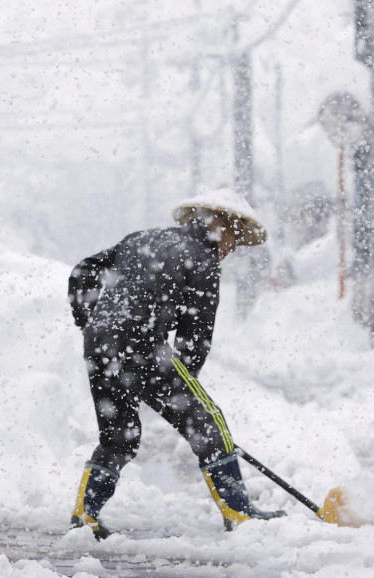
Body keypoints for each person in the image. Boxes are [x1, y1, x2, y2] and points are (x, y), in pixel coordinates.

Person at [66, 188, 285, 539]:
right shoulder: (202, 259)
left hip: (99, 345)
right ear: (223, 227)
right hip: (142, 346)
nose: (231, 250)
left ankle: (85, 513)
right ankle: (239, 512)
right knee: (209, 422)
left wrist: (90, 322)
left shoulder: (141, 239)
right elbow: (195, 340)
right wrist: (183, 394)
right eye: (235, 240)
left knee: (119, 437)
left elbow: (83, 271)